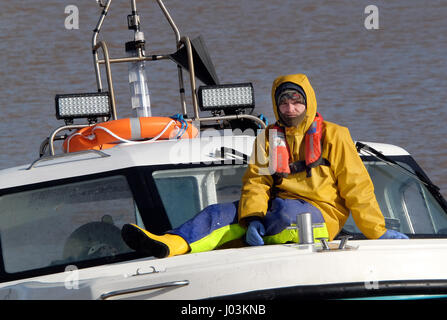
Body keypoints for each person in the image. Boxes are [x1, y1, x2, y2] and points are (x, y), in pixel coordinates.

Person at [121, 73, 408, 259]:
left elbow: (357, 186)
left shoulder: (334, 135)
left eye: (297, 102)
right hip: (278, 209)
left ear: (308, 102)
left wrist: (376, 231)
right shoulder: (268, 137)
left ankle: (229, 241)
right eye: (284, 102)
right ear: (276, 105)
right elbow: (256, 182)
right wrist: (253, 217)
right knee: (218, 213)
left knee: (284, 214)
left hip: (321, 216)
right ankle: (168, 245)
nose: (290, 108)